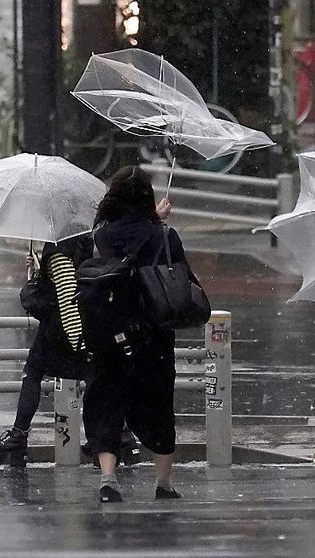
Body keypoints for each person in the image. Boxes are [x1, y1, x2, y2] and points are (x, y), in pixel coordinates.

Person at [81, 165, 182, 503]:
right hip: (153, 333)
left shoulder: (100, 237)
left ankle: (109, 478)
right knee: (158, 405)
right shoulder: (164, 235)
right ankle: (163, 483)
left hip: (109, 331)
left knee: (106, 403)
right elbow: (181, 275)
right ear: (148, 199)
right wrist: (158, 224)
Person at [0, 236, 97, 464]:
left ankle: (19, 437)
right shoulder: (84, 241)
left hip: (62, 331)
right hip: (72, 328)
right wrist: (40, 269)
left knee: (35, 373)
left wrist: (78, 341)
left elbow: (67, 295)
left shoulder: (61, 247)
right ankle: (111, 436)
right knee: (91, 377)